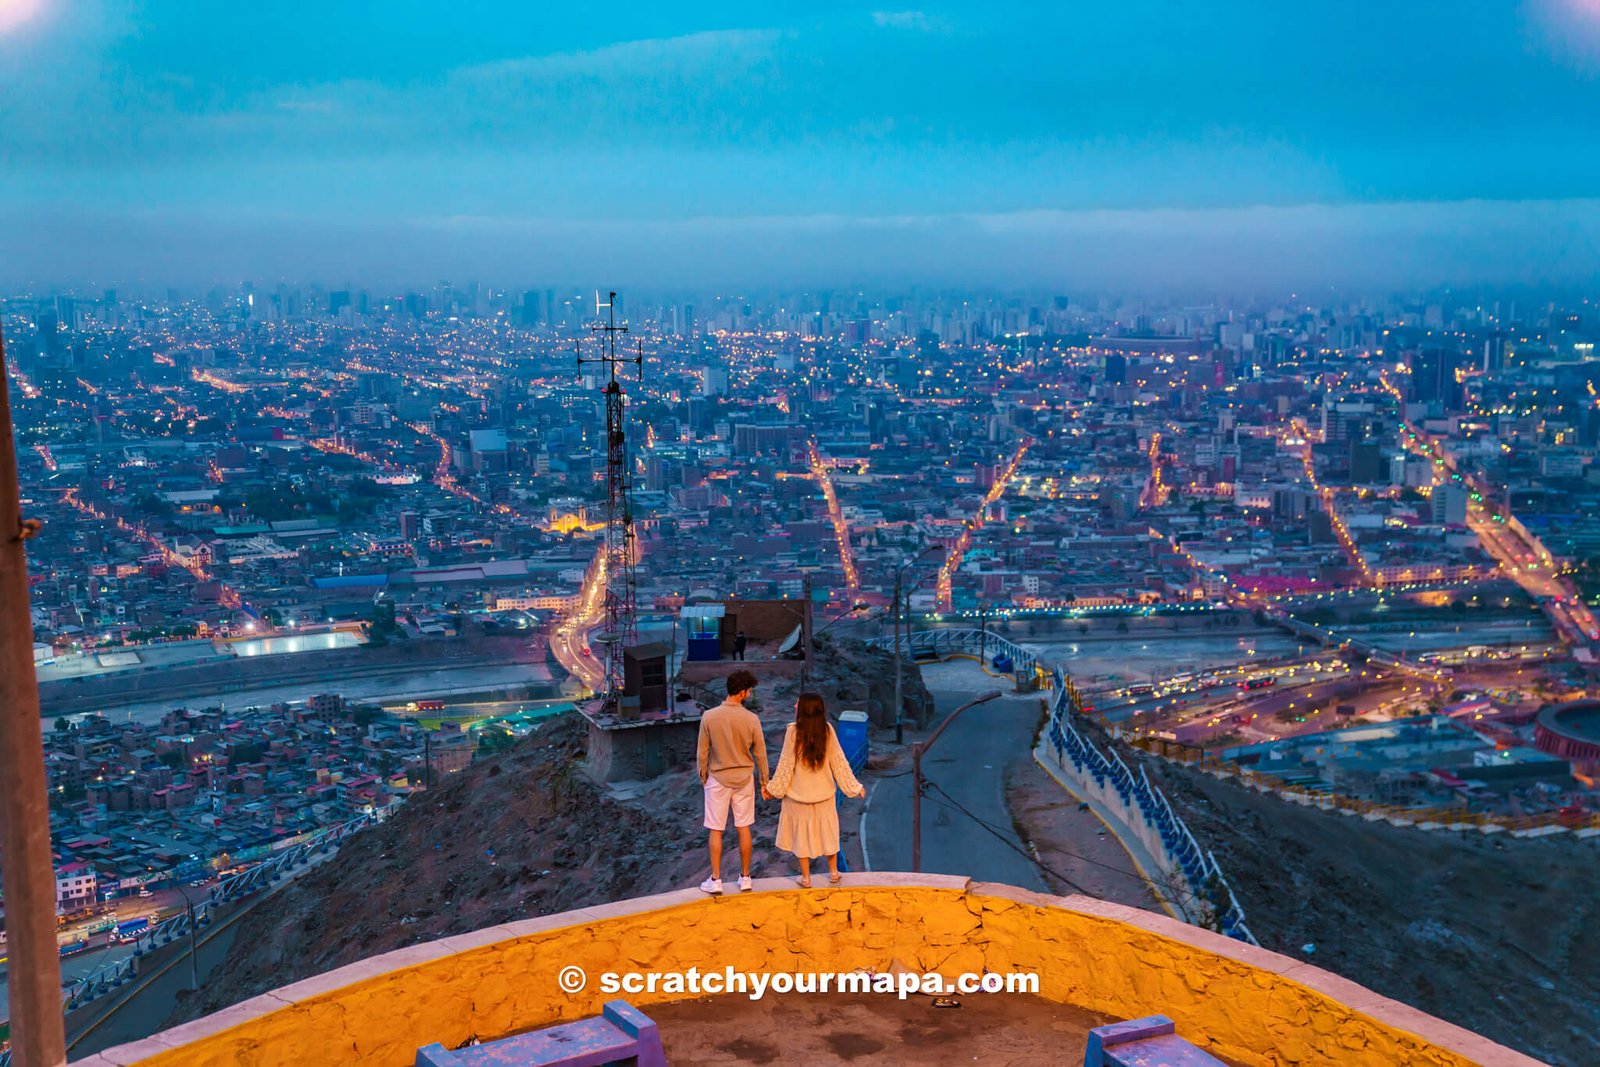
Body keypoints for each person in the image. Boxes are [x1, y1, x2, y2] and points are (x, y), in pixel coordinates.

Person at [761, 692, 865, 888]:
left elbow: (785, 765)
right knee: (829, 834)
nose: (794, 705)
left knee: (801, 838)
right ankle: (834, 872)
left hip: (798, 797)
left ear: (805, 709)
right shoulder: (827, 730)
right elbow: (839, 762)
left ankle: (806, 878)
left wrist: (772, 789)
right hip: (823, 795)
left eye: (797, 703)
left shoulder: (793, 732)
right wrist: (854, 787)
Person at [696, 669, 768, 894]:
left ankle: (716, 880)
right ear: (743, 692)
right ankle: (745, 877)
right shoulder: (751, 719)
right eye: (749, 691)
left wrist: (703, 775)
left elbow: (702, 752)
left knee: (716, 830)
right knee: (743, 827)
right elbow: (761, 754)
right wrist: (764, 781)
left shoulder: (709, 716)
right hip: (744, 779)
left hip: (717, 778)